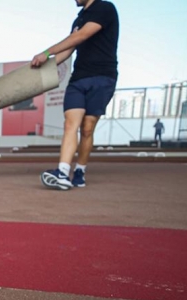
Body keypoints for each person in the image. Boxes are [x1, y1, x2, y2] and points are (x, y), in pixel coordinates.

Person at [31, 0, 119, 190]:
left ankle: (79, 171)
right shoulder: (78, 19)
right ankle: (62, 172)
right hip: (78, 79)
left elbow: (82, 36)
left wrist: (46, 52)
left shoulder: (105, 8)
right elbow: (69, 50)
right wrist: (42, 67)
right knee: (71, 123)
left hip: (102, 77)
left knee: (87, 128)